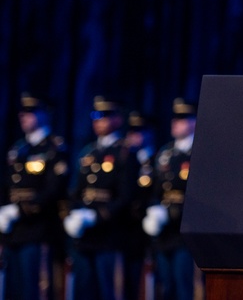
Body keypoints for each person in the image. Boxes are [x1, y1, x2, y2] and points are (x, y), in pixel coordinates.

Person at [63, 96, 140, 300]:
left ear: (117, 120)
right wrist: (73, 213)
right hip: (85, 236)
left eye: (105, 116)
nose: (99, 121)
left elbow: (126, 196)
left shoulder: (125, 153)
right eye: (96, 116)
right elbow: (76, 191)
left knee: (108, 291)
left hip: (110, 235)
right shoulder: (88, 152)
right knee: (83, 290)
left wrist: (97, 216)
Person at [0, 92, 70, 300]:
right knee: (12, 289)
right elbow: (5, 185)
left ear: (45, 114)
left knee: (34, 290)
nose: (23, 116)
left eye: (30, 112)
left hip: (38, 230)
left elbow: (54, 190)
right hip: (13, 233)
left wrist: (20, 209)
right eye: (22, 112)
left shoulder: (53, 147)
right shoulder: (17, 149)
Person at [143, 98, 201, 300]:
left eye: (183, 118)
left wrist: (175, 211)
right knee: (166, 286)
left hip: (185, 230)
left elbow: (200, 193)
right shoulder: (166, 153)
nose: (176, 123)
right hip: (164, 230)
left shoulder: (199, 151)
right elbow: (156, 188)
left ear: (194, 121)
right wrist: (153, 209)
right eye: (175, 118)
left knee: (184, 285)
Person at [124, 110, 157, 300]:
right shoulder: (127, 161)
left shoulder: (158, 161)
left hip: (152, 230)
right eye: (131, 131)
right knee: (130, 280)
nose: (133, 136)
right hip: (129, 231)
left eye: (139, 131)